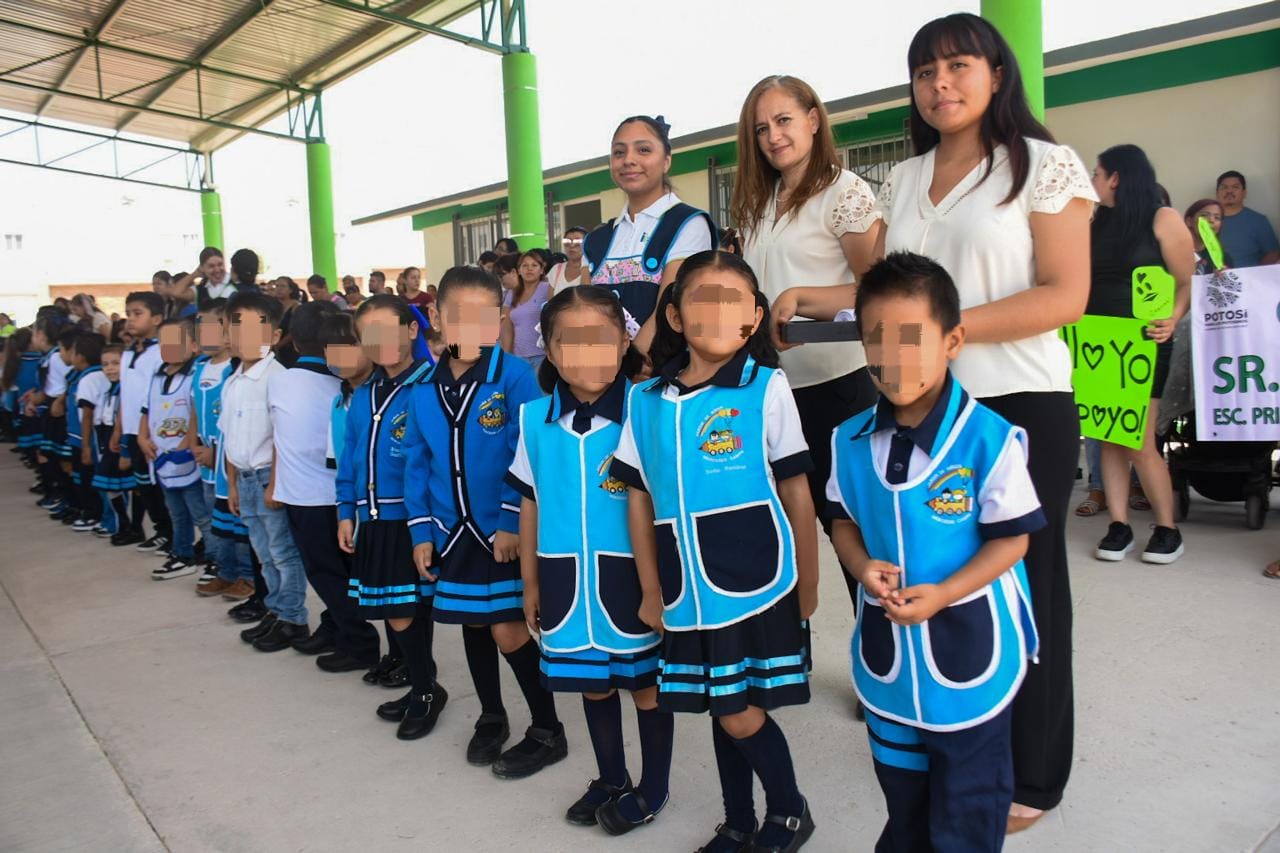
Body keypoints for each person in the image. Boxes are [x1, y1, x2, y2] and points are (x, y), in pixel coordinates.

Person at [774, 14, 1096, 831]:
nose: (940, 84)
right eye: (925, 72)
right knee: (932, 571)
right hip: (922, 408)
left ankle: (1035, 772)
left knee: (1029, 581)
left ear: (996, 72)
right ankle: (942, 727)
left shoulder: (1044, 166)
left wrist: (944, 335)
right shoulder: (906, 177)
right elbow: (894, 292)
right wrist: (812, 300)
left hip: (1019, 403)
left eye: (958, 66)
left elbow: (1065, 294)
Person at [828, 251, 1044, 851]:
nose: (892, 357)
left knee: (968, 812)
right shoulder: (847, 440)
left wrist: (946, 593)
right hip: (890, 663)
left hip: (970, 658)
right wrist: (859, 564)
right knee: (904, 805)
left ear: (952, 340)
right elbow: (841, 521)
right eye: (876, 339)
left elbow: (1014, 540)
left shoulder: (990, 439)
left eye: (910, 338)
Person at [611, 251, 819, 852]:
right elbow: (637, 498)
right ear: (673, 315)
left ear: (753, 318)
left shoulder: (765, 386)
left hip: (757, 579)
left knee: (737, 708)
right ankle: (738, 821)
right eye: (703, 298)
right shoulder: (645, 399)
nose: (718, 312)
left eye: (734, 301)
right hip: (683, 588)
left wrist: (808, 580)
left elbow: (796, 488)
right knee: (719, 704)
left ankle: (788, 810)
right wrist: (652, 589)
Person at [507, 286, 672, 834]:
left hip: (632, 576)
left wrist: (658, 588)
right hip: (561, 576)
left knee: (645, 685)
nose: (588, 355)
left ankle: (653, 787)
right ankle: (611, 777)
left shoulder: (649, 409)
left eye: (601, 340)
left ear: (626, 341)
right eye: (570, 343)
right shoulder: (535, 419)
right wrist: (529, 580)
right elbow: (530, 503)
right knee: (593, 683)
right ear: (550, 353)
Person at [404, 266, 565, 777]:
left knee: (510, 633)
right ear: (436, 317)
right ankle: (491, 717)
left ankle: (547, 728)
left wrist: (514, 519)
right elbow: (417, 463)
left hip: (501, 534)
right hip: (452, 534)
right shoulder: (424, 386)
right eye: (458, 316)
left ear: (499, 320)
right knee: (473, 623)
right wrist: (421, 531)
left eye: (483, 316)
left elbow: (532, 452)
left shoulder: (516, 377)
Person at [734, 74, 884, 621]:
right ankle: (783, 657)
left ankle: (881, 661)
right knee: (780, 527)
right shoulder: (758, 201)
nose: (773, 136)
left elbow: (880, 288)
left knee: (851, 530)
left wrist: (803, 298)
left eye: (784, 120)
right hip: (770, 391)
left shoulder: (845, 191)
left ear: (814, 119)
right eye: (761, 128)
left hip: (837, 387)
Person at [335, 294, 446, 738]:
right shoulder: (363, 394)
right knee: (397, 609)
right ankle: (423, 683)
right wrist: (347, 508)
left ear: (412, 330)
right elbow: (351, 455)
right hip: (374, 517)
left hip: (414, 518)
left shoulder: (431, 383)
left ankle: (424, 689)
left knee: (405, 609)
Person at [1088, 144, 1193, 564]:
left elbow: (1186, 281)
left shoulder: (1162, 219)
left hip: (1145, 343)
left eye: (1097, 173)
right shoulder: (1094, 221)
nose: (1092, 180)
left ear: (1116, 177)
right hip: (1098, 343)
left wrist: (1173, 318)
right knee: (1108, 435)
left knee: (1139, 439)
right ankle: (1118, 524)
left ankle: (1168, 528)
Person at [271, 301, 382, 672]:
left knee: (327, 574)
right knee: (343, 575)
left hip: (310, 497)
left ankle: (359, 642)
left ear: (296, 341)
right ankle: (335, 626)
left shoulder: (283, 380)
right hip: (339, 498)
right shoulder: (345, 385)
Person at [221, 291, 312, 652]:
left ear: (274, 336)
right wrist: (231, 485)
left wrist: (275, 484)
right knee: (262, 551)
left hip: (267, 478)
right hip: (243, 478)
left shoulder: (278, 378)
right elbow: (229, 437)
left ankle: (293, 618)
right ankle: (276, 610)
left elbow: (282, 437)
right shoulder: (233, 381)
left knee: (282, 551)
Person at [584, 116, 716, 354]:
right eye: (618, 153)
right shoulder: (596, 240)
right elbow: (583, 312)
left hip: (662, 372)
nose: (629, 160)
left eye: (643, 150)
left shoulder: (688, 223)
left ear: (666, 161)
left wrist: (630, 364)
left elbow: (670, 305)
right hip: (603, 377)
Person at [187, 300, 255, 599]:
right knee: (218, 524)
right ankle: (225, 572)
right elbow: (192, 410)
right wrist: (192, 443)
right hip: (206, 465)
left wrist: (218, 455)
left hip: (227, 460)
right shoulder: (199, 368)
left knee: (239, 523)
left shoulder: (234, 369)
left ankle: (248, 576)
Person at [138, 317, 206, 580]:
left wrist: (183, 446)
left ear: (194, 345)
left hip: (184, 457)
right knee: (176, 512)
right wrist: (142, 438)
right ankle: (182, 554)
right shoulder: (157, 375)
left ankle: (214, 559)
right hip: (160, 458)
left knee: (200, 513)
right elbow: (146, 410)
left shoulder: (194, 375)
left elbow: (195, 413)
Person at [111, 291, 171, 551]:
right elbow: (127, 395)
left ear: (157, 318)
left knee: (163, 487)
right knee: (143, 485)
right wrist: (119, 431)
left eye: (138, 314)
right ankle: (161, 529)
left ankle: (174, 535)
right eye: (128, 314)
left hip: (154, 433)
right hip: (132, 431)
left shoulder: (162, 352)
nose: (131, 320)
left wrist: (146, 433)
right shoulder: (126, 354)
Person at [90, 344, 132, 538]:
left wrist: (123, 445)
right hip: (109, 440)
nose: (110, 368)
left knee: (133, 486)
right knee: (108, 483)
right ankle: (123, 520)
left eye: (116, 363)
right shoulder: (109, 389)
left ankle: (131, 525)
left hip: (124, 441)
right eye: (105, 364)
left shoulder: (129, 390)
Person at [66, 332, 107, 531]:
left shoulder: (88, 379)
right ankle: (95, 513)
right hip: (92, 436)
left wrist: (85, 445)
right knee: (91, 477)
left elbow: (87, 414)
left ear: (80, 356)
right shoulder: (99, 374)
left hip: (85, 437)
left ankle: (92, 514)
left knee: (86, 478)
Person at [1214, 170, 1279, 267]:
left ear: (1244, 193)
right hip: (1214, 278)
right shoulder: (1206, 222)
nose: (1229, 191)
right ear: (1217, 193)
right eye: (1224, 187)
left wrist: (1255, 273)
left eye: (1235, 187)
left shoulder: (1259, 221)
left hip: (1250, 279)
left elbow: (1273, 254)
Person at [503, 250, 553, 368]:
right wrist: (506, 354)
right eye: (524, 265)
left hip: (542, 355)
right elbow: (506, 326)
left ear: (541, 270)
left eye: (534, 265)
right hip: (518, 356)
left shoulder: (548, 289)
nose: (529, 269)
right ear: (519, 270)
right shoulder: (512, 293)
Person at [1185, 198, 1235, 274]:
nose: (1211, 220)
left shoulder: (1224, 259)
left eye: (1217, 217)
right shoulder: (1174, 253)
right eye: (1204, 215)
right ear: (1189, 221)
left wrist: (1224, 278)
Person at [548, 227, 588, 292]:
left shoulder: (594, 270)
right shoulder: (556, 269)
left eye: (577, 242)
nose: (572, 245)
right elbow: (551, 300)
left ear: (587, 243)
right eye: (567, 242)